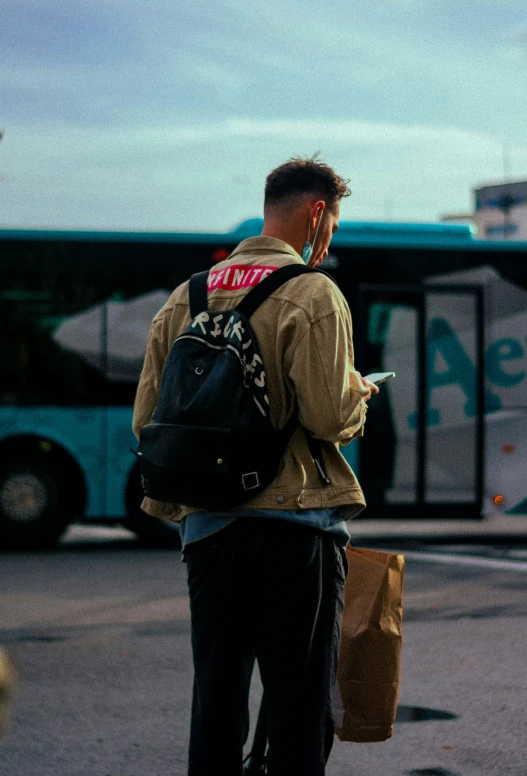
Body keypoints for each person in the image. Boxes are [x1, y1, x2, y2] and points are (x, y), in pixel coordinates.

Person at [133, 155, 379, 776]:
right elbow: (328, 419)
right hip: (296, 529)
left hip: (209, 531)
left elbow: (146, 423)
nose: (330, 240)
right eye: (334, 225)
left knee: (214, 698)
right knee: (299, 706)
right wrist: (357, 393)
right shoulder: (313, 293)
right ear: (317, 213)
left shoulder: (184, 297)